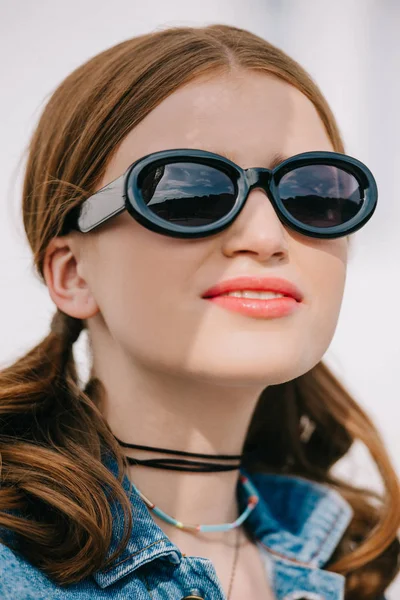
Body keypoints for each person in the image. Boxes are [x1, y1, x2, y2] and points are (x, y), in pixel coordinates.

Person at [0, 23, 398, 600]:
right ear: (72, 273)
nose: (265, 235)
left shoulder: (353, 566)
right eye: (190, 193)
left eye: (313, 193)